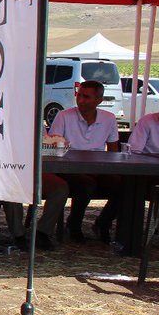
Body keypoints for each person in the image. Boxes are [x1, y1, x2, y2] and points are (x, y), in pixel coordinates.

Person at [48, 79, 121, 243]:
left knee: (124, 185)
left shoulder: (109, 118)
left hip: (97, 168)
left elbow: (114, 150)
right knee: (85, 184)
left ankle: (103, 223)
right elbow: (52, 146)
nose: (80, 100)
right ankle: (74, 225)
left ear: (99, 100)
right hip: (68, 169)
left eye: (86, 97)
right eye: (79, 95)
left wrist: (107, 169)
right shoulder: (64, 116)